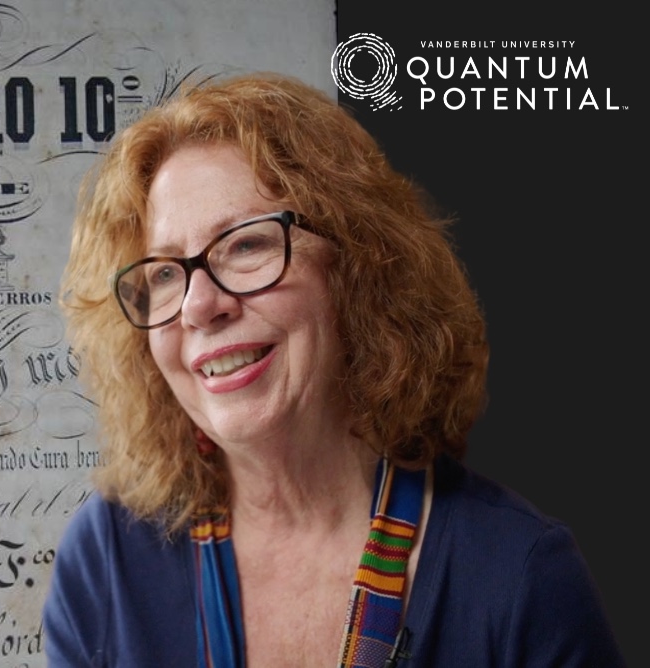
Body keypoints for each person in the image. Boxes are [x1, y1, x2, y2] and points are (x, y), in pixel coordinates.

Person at [42, 71, 623, 667]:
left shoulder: (520, 575)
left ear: (357, 268)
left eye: (246, 245)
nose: (198, 306)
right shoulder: (106, 559)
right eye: (164, 274)